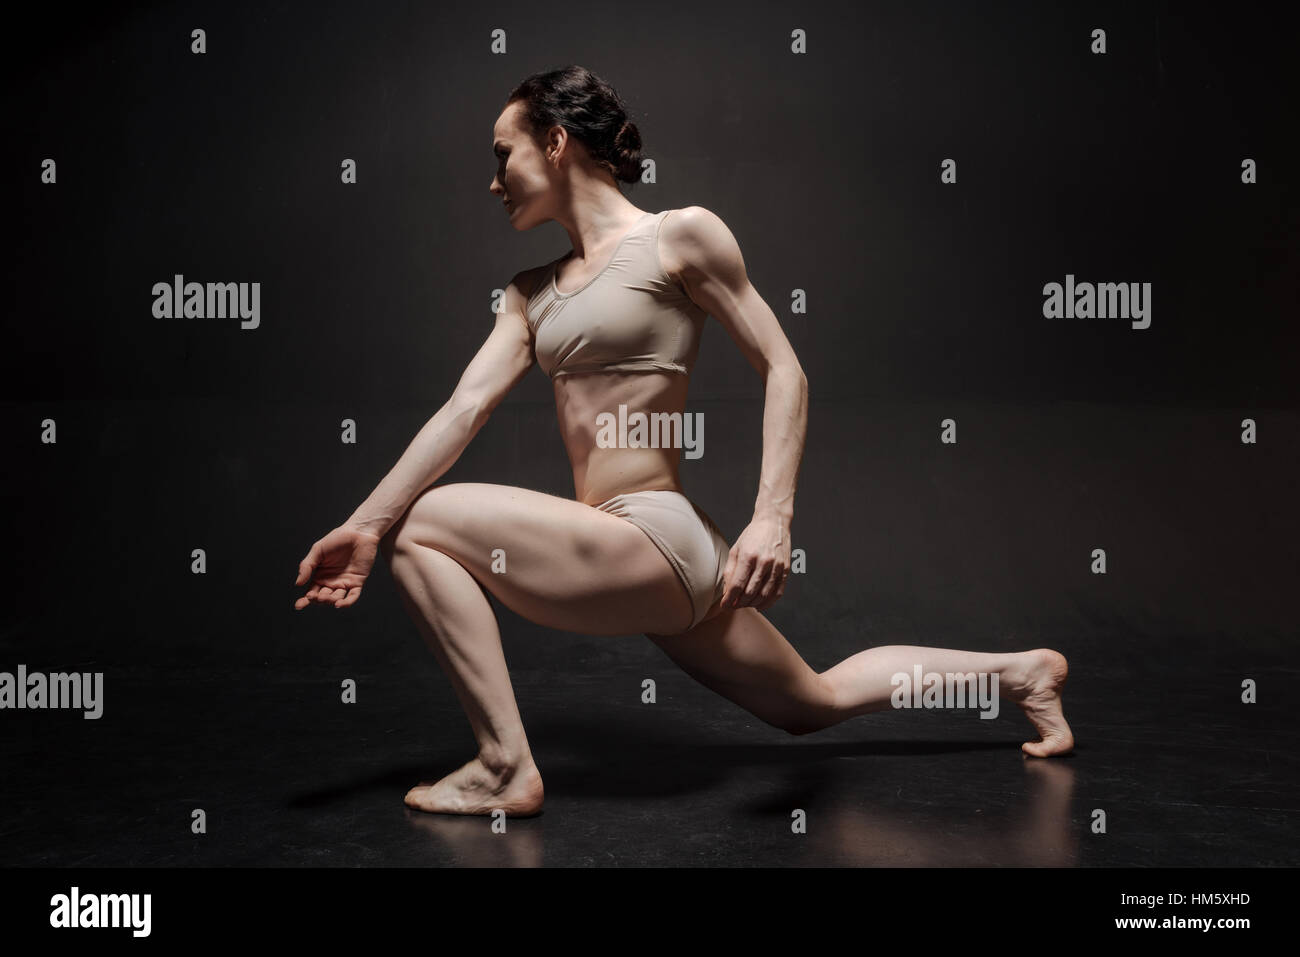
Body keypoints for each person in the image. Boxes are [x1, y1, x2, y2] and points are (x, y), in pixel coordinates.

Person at [293, 65, 1074, 817]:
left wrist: (772, 517)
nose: (493, 180)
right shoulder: (528, 295)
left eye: (504, 154)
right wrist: (364, 521)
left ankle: (504, 764)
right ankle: (1018, 675)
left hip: (655, 535)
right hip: (642, 556)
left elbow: (784, 370)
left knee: (424, 526)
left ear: (556, 141)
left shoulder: (680, 236)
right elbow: (464, 408)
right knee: (813, 701)